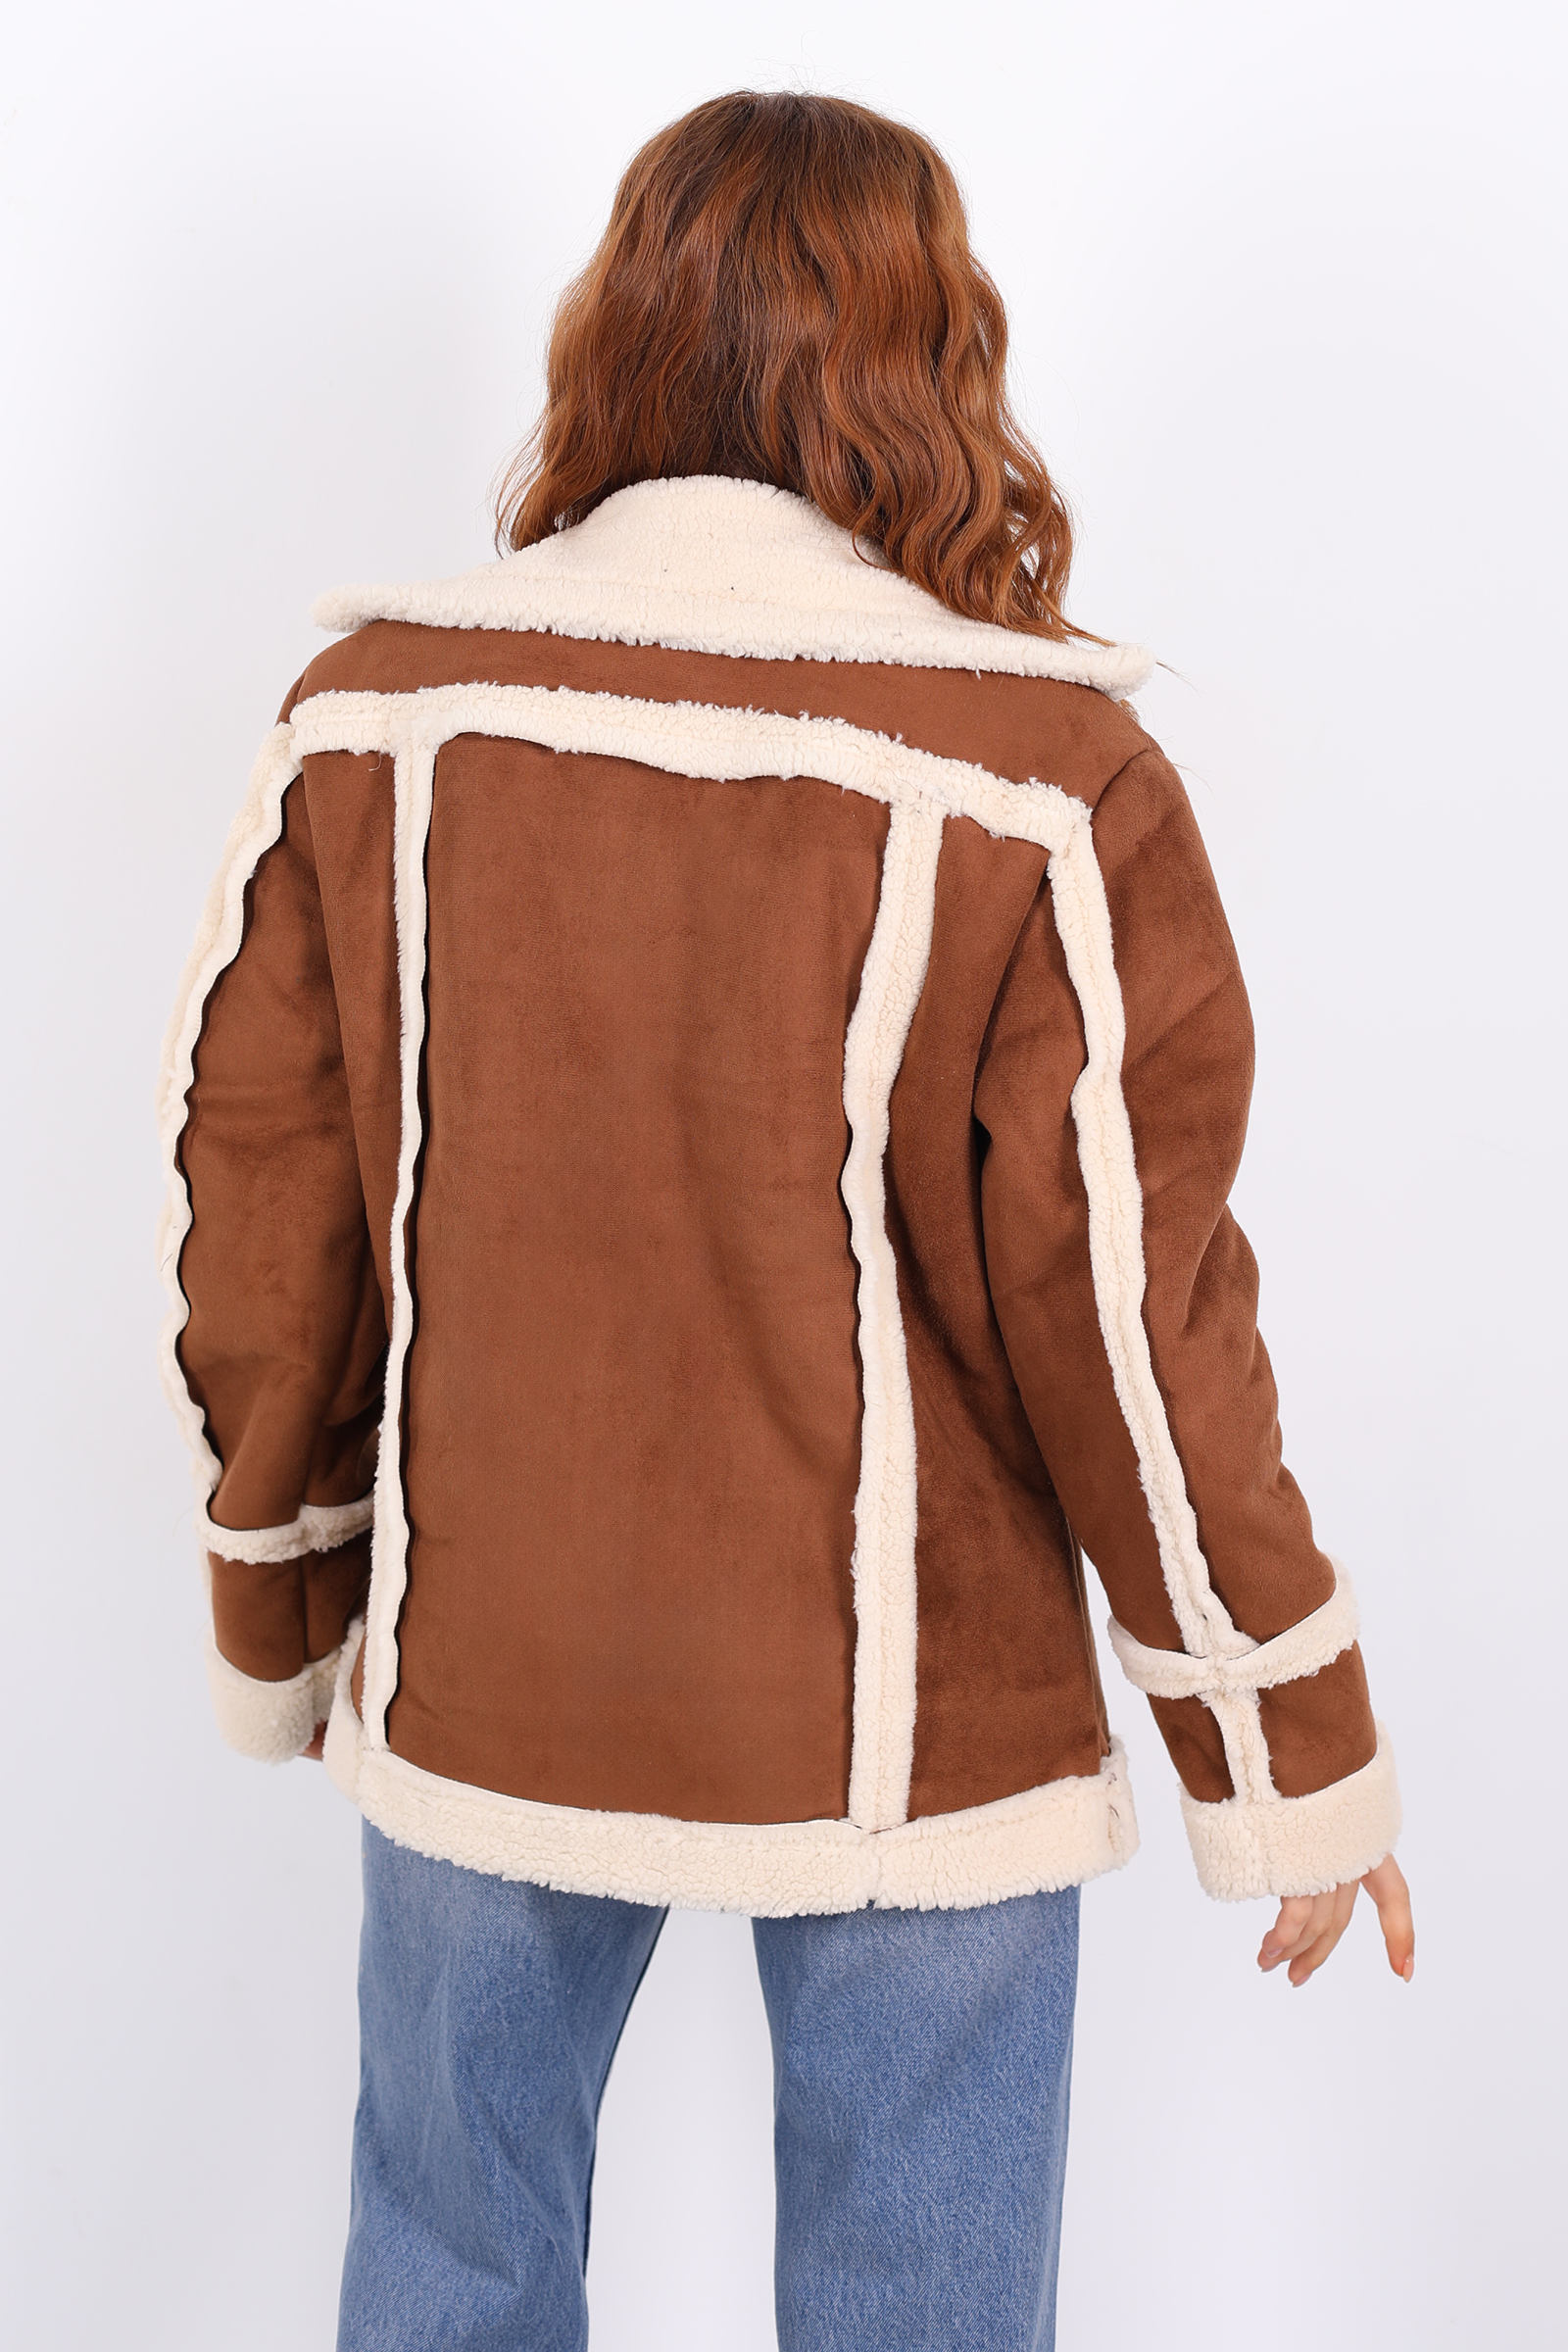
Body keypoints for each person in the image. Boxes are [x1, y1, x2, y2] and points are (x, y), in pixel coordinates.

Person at [159, 87, 1414, 2352]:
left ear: (617, 328)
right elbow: (1129, 1317)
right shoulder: (1041, 776)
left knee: (445, 2271)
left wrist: (291, 1589)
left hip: (489, 1663)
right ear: (932, 355)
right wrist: (1281, 1747)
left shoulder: (377, 721)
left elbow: (266, 1204)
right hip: (923, 1721)